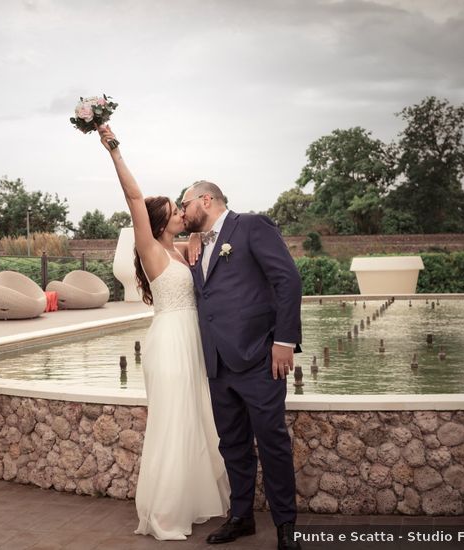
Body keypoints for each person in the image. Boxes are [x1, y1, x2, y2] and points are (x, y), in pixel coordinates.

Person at [98, 125, 230, 541]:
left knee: (194, 421)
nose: (181, 214)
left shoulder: (182, 248)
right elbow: (134, 198)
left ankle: (192, 502)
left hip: (191, 342)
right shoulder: (150, 248)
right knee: (173, 423)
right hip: (170, 343)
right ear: (158, 221)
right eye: (174, 211)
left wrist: (192, 235)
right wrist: (113, 149)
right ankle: (167, 512)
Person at [180, 181, 303, 549]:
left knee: (272, 442)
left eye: (184, 204)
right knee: (232, 444)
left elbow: (288, 279)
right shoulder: (199, 244)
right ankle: (241, 516)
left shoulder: (250, 226)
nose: (182, 211)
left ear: (206, 199)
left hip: (259, 358)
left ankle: (286, 527)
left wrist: (284, 341)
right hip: (217, 362)